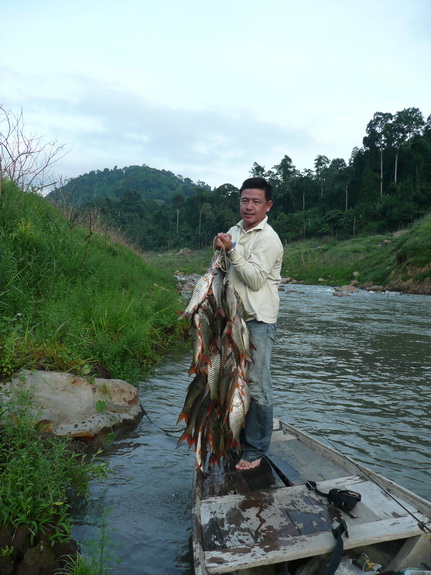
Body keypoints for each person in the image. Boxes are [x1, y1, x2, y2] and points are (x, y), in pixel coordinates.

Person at [216, 176, 283, 471]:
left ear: (267, 205)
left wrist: (232, 250)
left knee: (257, 385)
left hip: (258, 322)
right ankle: (238, 437)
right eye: (245, 200)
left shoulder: (269, 239)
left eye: (256, 201)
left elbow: (255, 279)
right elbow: (222, 268)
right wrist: (220, 248)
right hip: (232, 319)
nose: (249, 206)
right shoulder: (234, 231)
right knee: (233, 380)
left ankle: (255, 449)